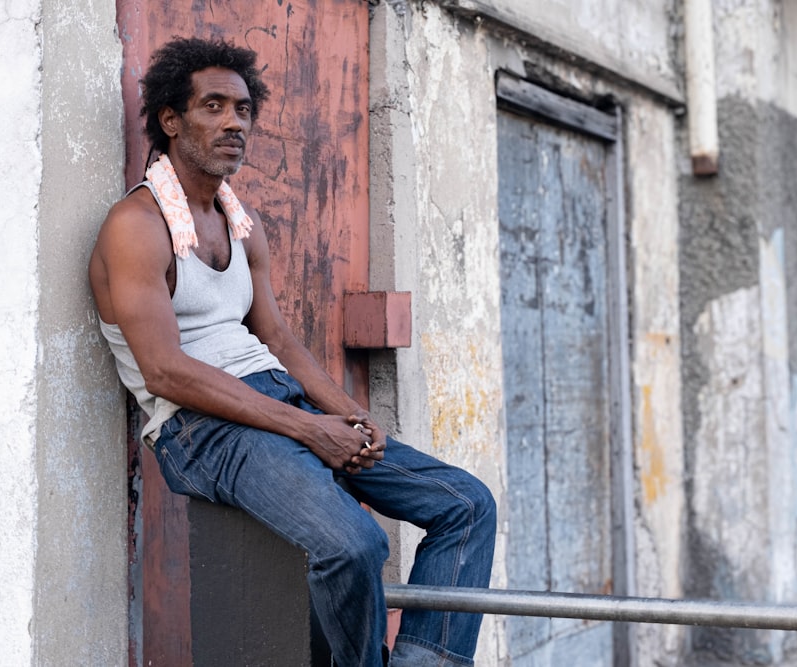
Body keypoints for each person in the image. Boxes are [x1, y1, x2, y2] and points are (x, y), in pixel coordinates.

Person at [88, 37, 496, 666]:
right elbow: (164, 371)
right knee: (354, 545)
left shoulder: (238, 221)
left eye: (244, 110)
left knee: (466, 504)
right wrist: (310, 427)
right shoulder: (136, 227)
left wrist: (348, 413)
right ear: (171, 120)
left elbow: (275, 338)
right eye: (213, 107)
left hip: (280, 401)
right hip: (203, 430)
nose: (234, 123)